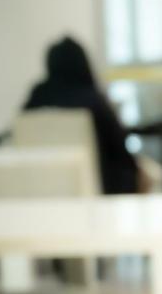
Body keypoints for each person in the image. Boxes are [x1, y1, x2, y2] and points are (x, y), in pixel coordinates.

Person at [23, 36, 142, 194]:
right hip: (101, 187)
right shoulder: (92, 99)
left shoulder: (37, 97)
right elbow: (120, 146)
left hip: (42, 187)